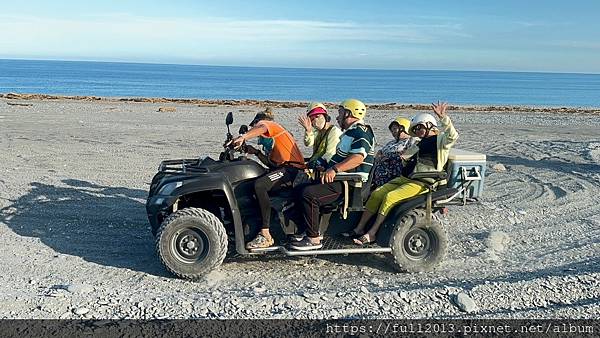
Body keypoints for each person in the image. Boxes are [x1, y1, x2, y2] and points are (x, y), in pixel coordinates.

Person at [348, 101, 459, 246]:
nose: (417, 131)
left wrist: (443, 117)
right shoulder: (420, 143)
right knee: (376, 194)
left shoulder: (441, 141)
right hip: (405, 179)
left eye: (419, 127)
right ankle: (359, 228)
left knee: (390, 197)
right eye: (416, 129)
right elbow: (405, 156)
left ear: (429, 125)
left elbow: (453, 135)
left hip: (422, 183)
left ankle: (372, 233)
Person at [290, 99, 375, 251]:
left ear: (350, 113)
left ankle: (314, 239)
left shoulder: (360, 131)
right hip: (339, 178)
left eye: (340, 113)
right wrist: (325, 167)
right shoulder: (350, 133)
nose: (337, 117)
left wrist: (334, 169)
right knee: (298, 189)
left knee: (309, 194)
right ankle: (308, 230)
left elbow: (358, 158)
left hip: (348, 183)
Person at [229, 108, 306, 249]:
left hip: (292, 170)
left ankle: (265, 233)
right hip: (283, 169)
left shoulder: (271, 125)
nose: (258, 134)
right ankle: (249, 225)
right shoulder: (273, 142)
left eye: (255, 127)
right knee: (251, 184)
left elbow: (263, 127)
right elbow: (272, 164)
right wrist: (256, 152)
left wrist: (243, 137)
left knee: (260, 185)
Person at [371, 117, 418, 190]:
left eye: (395, 129)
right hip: (380, 171)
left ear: (404, 128)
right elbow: (379, 152)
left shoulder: (411, 140)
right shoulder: (392, 142)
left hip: (394, 171)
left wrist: (391, 156)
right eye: (392, 130)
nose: (393, 132)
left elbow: (407, 155)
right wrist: (380, 156)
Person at [298, 102, 343, 169]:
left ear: (325, 116)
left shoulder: (334, 131)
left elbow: (330, 154)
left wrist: (314, 164)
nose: (315, 120)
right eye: (312, 119)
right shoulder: (317, 131)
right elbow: (308, 143)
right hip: (315, 162)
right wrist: (308, 131)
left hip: (324, 166)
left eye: (318, 116)